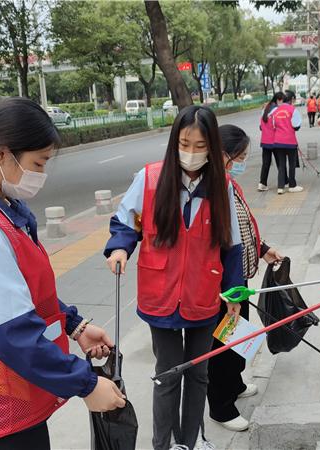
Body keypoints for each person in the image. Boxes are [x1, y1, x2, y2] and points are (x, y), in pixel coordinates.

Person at [0, 98, 125, 450]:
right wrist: (86, 384)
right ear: (1, 155)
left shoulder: (0, 206)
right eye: (38, 163)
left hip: (11, 395)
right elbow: (13, 334)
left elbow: (24, 294)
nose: (41, 174)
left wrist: (74, 325)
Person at [104, 105, 244, 450]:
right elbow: (125, 221)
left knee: (198, 373)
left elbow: (231, 244)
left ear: (212, 147)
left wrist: (234, 293)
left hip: (204, 293)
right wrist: (119, 248)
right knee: (168, 373)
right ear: (174, 142)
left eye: (200, 146)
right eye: (184, 144)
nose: (191, 152)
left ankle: (191, 441)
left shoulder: (222, 185)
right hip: (160, 293)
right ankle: (163, 445)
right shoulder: (149, 178)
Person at [207, 124, 284, 432]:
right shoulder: (212, 189)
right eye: (238, 157)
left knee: (238, 339)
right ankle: (221, 407)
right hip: (222, 286)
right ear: (221, 154)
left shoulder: (230, 183)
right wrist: (227, 289)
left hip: (238, 280)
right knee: (221, 347)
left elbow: (242, 228)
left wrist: (262, 249)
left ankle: (235, 384)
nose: (241, 163)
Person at [271, 90, 304, 195]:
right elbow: (296, 125)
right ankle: (292, 185)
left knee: (281, 164)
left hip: (278, 141)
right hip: (290, 141)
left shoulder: (275, 111)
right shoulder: (293, 110)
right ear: (292, 99)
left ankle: (280, 187)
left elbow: (273, 126)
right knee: (291, 164)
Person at [258, 92, 284, 192]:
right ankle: (284, 181)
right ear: (279, 100)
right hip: (275, 141)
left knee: (266, 163)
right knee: (280, 162)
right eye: (282, 101)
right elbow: (278, 126)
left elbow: (261, 127)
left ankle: (262, 183)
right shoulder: (277, 110)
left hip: (265, 141)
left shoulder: (265, 109)